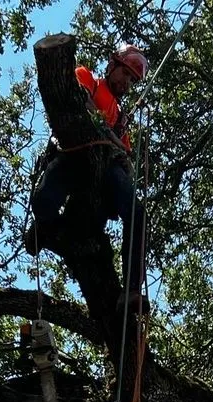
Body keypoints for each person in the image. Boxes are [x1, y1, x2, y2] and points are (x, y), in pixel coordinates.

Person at [31, 43, 150, 313]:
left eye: (132, 79)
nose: (128, 83)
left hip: (104, 170)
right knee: (43, 204)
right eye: (126, 74)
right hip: (71, 155)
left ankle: (131, 291)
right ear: (112, 66)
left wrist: (118, 150)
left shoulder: (120, 118)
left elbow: (124, 155)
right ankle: (48, 229)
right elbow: (79, 106)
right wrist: (108, 138)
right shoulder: (87, 78)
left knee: (137, 213)